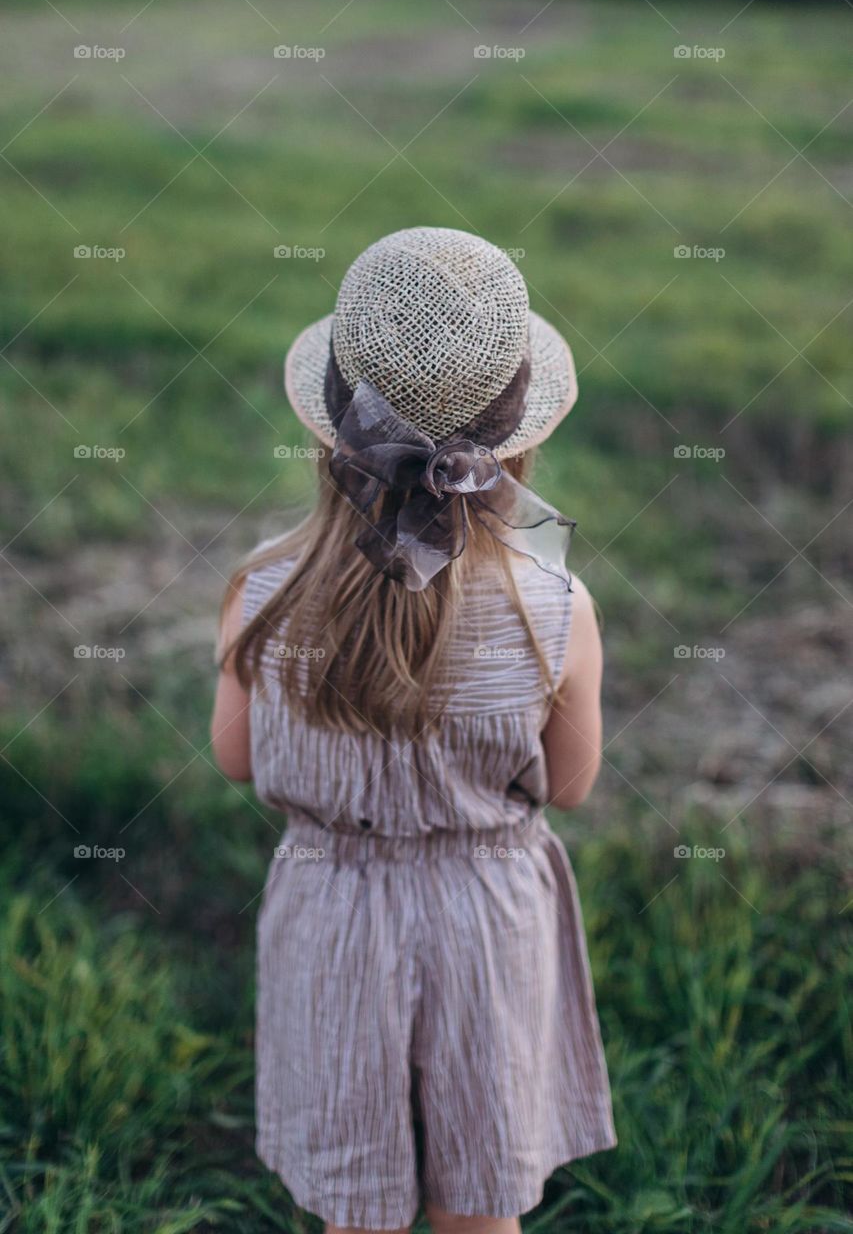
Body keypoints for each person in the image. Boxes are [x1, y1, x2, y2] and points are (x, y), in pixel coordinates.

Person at [211, 227, 616, 1234]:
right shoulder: (556, 608)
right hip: (488, 920)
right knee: (479, 1207)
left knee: (357, 1203)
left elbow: (234, 755)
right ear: (517, 437)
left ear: (332, 432)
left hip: (332, 917)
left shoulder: (261, 591)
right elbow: (568, 786)